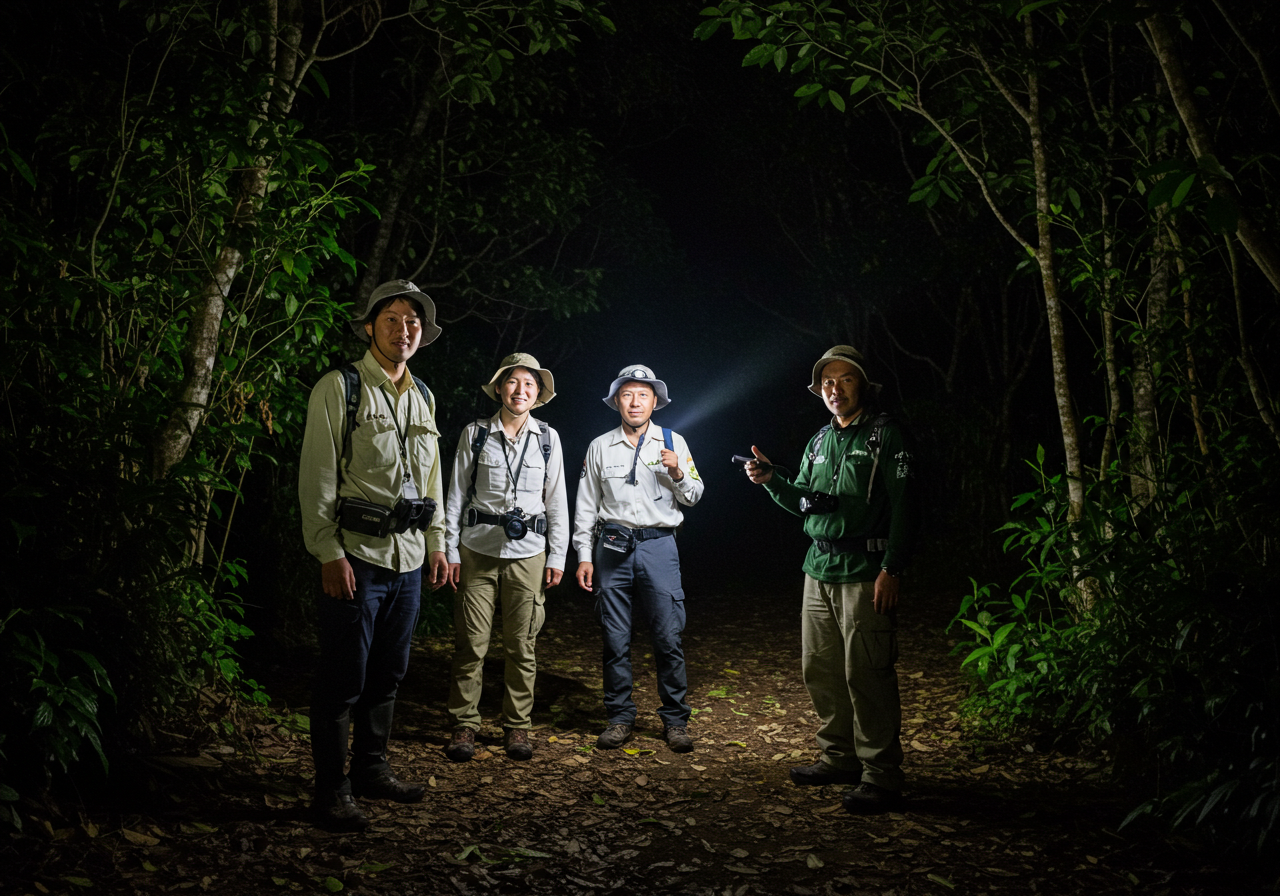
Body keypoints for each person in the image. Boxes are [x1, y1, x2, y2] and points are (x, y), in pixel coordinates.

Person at [298, 279, 450, 832]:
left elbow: (431, 477)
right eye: (392, 318)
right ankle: (330, 788)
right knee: (344, 676)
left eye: (413, 322)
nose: (403, 329)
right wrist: (327, 551)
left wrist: (436, 543)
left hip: (408, 557)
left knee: (389, 671)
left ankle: (370, 768)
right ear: (370, 327)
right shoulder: (340, 387)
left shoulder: (424, 396)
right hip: (356, 555)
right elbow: (317, 475)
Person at [744, 345, 918, 814]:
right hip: (817, 569)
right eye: (826, 382)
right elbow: (804, 500)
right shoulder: (819, 441)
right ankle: (839, 758)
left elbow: (906, 506)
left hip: (866, 570)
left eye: (844, 380)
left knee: (867, 673)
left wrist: (892, 568)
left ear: (862, 385)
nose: (833, 389)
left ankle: (881, 775)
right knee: (819, 669)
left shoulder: (887, 436)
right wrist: (772, 480)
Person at [441, 353, 569, 762]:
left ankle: (517, 728)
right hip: (476, 549)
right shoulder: (475, 434)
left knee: (522, 645)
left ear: (538, 394)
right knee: (471, 644)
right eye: (513, 382)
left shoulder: (549, 438)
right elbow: (456, 495)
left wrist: (558, 558)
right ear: (499, 388)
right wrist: (448, 549)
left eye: (529, 385)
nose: (520, 391)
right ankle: (464, 724)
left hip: (529, 554)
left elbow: (557, 504)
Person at [573, 365, 705, 753]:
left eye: (642, 395)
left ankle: (676, 721)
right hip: (611, 547)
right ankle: (619, 717)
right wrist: (584, 555)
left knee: (668, 636)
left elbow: (695, 495)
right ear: (616, 401)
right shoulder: (599, 446)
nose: (635, 402)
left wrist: (677, 471)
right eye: (627, 394)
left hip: (659, 546)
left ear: (655, 402)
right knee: (614, 638)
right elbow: (585, 506)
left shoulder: (673, 441)